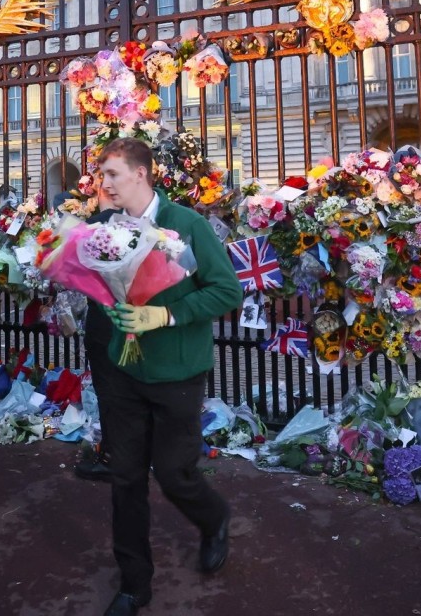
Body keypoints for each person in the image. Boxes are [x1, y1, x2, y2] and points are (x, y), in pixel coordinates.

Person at [92, 138, 243, 616]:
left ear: (140, 173)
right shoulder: (105, 226)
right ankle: (135, 583)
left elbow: (226, 291)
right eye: (102, 174)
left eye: (112, 173)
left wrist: (166, 317)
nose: (105, 183)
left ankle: (214, 517)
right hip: (124, 370)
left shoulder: (187, 224)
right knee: (126, 477)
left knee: (175, 473)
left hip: (177, 372)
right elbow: (98, 281)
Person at [75, 178, 120, 482]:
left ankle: (113, 457)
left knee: (109, 390)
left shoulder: (94, 225)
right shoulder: (144, 224)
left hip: (104, 319)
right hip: (140, 318)